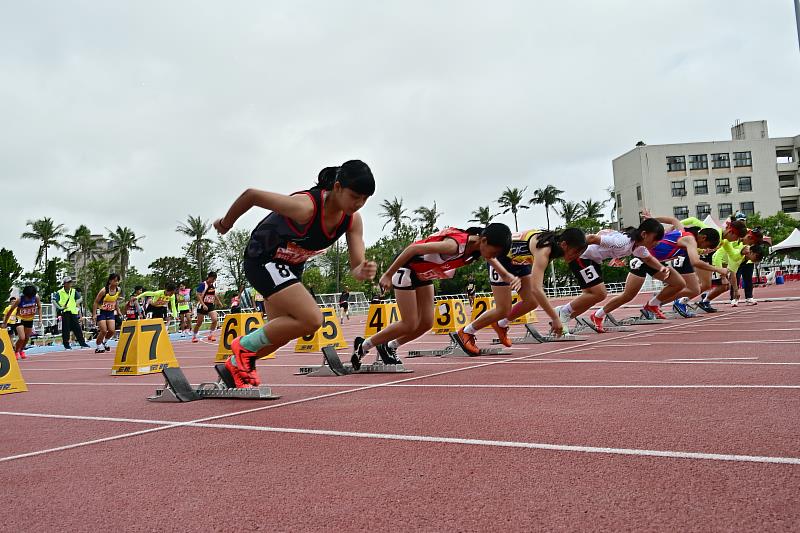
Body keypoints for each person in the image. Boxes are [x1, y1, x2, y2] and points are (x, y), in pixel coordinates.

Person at [213, 160, 377, 388]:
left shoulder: (352, 220)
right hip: (263, 259)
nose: (359, 204)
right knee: (312, 319)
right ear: (338, 187)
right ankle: (243, 347)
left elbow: (356, 266)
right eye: (354, 196)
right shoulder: (306, 207)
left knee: (281, 332)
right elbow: (251, 195)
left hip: (289, 268)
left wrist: (363, 270)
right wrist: (225, 223)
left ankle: (234, 365)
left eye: (365, 199)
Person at [353, 223, 516, 367]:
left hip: (424, 274)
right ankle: (364, 346)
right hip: (407, 268)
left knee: (426, 323)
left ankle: (389, 346)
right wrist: (388, 274)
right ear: (485, 241)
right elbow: (413, 248)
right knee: (409, 323)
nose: (492, 257)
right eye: (494, 252)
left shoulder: (477, 248)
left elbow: (490, 258)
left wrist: (505, 274)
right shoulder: (454, 246)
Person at [454, 228, 588, 353]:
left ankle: (501, 324)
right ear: (564, 244)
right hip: (501, 260)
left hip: (519, 262)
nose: (577, 257)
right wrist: (555, 318)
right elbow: (537, 288)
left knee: (532, 302)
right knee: (503, 309)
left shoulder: (553, 246)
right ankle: (467, 331)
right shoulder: (544, 249)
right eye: (576, 252)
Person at [555, 219, 672, 333]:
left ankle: (560, 323)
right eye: (655, 239)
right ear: (644, 234)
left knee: (590, 298)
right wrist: (569, 252)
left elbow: (648, 259)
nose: (657, 243)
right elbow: (591, 238)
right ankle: (563, 312)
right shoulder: (622, 243)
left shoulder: (638, 247)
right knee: (600, 294)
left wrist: (661, 268)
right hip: (582, 257)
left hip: (593, 261)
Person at [599, 218, 727, 320]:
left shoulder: (684, 232)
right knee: (627, 296)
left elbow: (674, 221)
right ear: (703, 238)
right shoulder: (690, 240)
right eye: (706, 246)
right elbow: (695, 261)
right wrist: (719, 270)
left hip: (653, 263)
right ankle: (599, 314)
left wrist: (653, 220)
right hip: (642, 261)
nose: (705, 250)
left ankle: (652, 305)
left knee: (679, 284)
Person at [2, 286, 42, 359]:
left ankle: (21, 350)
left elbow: (39, 307)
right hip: (20, 319)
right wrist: (5, 322)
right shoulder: (19, 300)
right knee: (22, 337)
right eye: (28, 297)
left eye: (30, 297)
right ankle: (16, 351)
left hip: (29, 319)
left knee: (27, 338)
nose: (29, 299)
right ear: (25, 295)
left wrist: (40, 319)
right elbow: (10, 311)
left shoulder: (36, 297)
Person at [55, 277, 90, 350]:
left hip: (73, 312)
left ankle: (82, 343)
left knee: (77, 328)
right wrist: (60, 307)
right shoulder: (59, 292)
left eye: (70, 282)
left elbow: (80, 298)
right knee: (66, 329)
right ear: (64, 284)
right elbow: (54, 301)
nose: (69, 284)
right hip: (65, 312)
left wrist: (75, 303)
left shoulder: (73, 291)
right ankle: (66, 345)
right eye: (68, 282)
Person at [92, 273, 122, 353]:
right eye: (115, 280)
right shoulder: (104, 290)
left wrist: (118, 310)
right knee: (104, 330)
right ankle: (98, 345)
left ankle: (104, 342)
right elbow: (95, 302)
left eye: (118, 281)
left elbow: (115, 300)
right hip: (102, 312)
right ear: (110, 281)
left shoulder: (118, 290)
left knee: (112, 330)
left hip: (110, 312)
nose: (116, 282)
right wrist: (94, 314)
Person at [192, 272, 223, 343]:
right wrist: (203, 304)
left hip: (210, 305)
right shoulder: (203, 285)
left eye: (215, 279)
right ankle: (194, 336)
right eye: (213, 279)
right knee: (199, 322)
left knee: (215, 319)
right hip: (202, 305)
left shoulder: (212, 285)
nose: (214, 280)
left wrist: (218, 301)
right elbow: (198, 295)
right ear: (209, 277)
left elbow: (214, 294)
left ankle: (211, 334)